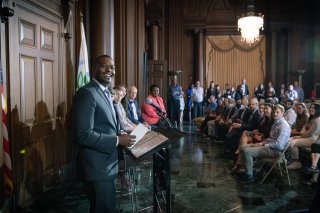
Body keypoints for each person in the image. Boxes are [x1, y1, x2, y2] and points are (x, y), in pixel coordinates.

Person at [72, 55, 135, 213]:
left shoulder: (106, 92)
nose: (109, 70)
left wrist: (118, 133)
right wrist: (116, 140)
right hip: (97, 167)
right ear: (94, 68)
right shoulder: (87, 93)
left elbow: (103, 125)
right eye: (104, 66)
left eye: (112, 67)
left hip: (107, 164)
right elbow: (84, 134)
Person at [239, 104, 291, 183]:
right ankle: (251, 169)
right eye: (274, 112)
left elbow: (279, 145)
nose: (275, 114)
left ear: (282, 113)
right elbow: (271, 139)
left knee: (247, 151)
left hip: (275, 151)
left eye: (277, 112)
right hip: (269, 147)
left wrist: (263, 144)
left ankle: (249, 176)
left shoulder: (284, 126)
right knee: (243, 147)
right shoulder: (276, 123)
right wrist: (262, 143)